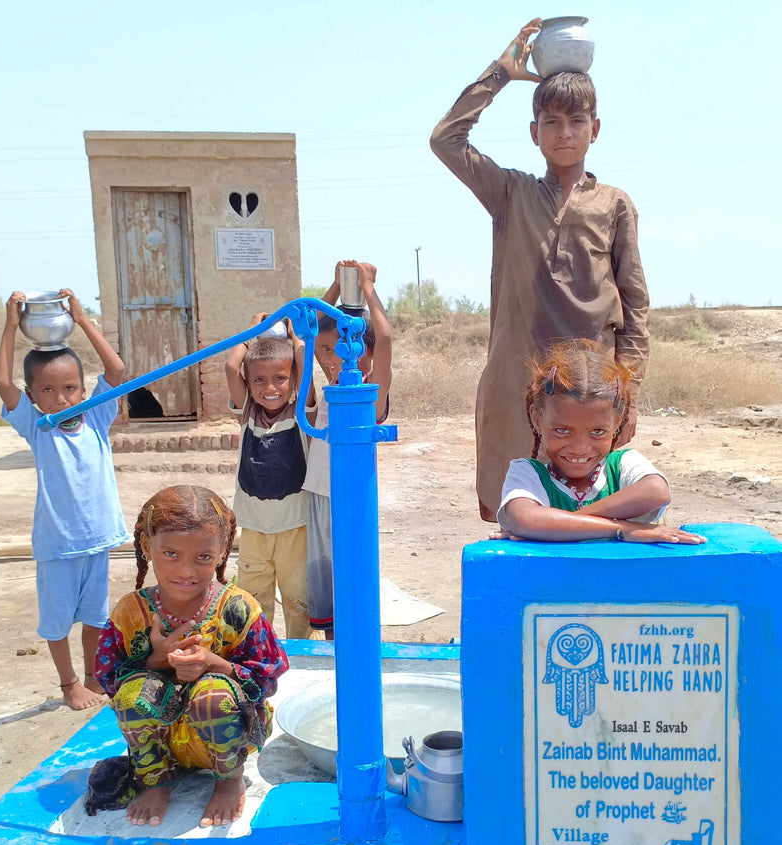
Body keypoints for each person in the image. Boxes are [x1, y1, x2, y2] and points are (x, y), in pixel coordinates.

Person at [430, 17, 650, 522]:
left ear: (595, 129)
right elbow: (446, 139)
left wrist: (629, 393)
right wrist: (501, 74)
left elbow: (635, 307)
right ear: (534, 132)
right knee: (515, 514)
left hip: (592, 394)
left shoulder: (614, 205)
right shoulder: (512, 194)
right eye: (552, 122)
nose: (564, 133)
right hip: (514, 384)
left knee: (596, 511)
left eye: (576, 122)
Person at [93, 485, 288, 828]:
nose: (186, 571)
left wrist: (215, 664)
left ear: (223, 551)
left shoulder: (238, 608)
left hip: (226, 732)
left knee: (212, 697)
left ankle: (228, 779)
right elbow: (108, 679)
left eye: (202, 557)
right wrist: (156, 661)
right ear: (145, 547)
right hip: (159, 741)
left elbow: (267, 677)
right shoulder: (130, 613)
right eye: (170, 554)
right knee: (132, 695)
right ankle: (155, 779)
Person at [0, 289, 130, 710]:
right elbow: (2, 382)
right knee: (56, 620)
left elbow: (118, 368)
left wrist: (82, 319)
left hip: (98, 539)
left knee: (95, 616)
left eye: (71, 387)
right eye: (49, 390)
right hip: (58, 545)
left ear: (84, 388)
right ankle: (69, 683)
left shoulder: (97, 415)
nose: (62, 398)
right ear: (33, 396)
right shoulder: (37, 427)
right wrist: (10, 325)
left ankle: (91, 676)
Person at [494, 340, 705, 545]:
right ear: (537, 418)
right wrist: (624, 529)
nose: (579, 448)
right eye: (562, 430)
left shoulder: (622, 466)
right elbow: (527, 519)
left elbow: (656, 492)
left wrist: (554, 525)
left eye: (597, 432)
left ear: (618, 422)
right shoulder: (527, 474)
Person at [302, 260, 393, 638]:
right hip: (317, 496)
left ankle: (357, 640)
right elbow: (306, 336)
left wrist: (367, 288)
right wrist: (336, 287)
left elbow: (385, 338)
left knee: (352, 574)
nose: (330, 358)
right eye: (326, 351)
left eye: (338, 349)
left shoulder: (370, 395)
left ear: (363, 353)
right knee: (324, 580)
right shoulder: (324, 392)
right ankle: (332, 645)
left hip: (351, 498)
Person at [225, 315, 312, 638]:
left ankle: (302, 662)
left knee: (298, 604)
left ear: (293, 382)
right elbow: (231, 367)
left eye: (280, 378)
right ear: (248, 385)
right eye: (259, 380)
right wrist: (252, 332)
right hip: (255, 531)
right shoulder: (248, 414)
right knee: (251, 605)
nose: (271, 388)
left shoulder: (302, 413)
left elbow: (303, 364)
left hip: (296, 529)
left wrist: (293, 334)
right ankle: (256, 658)